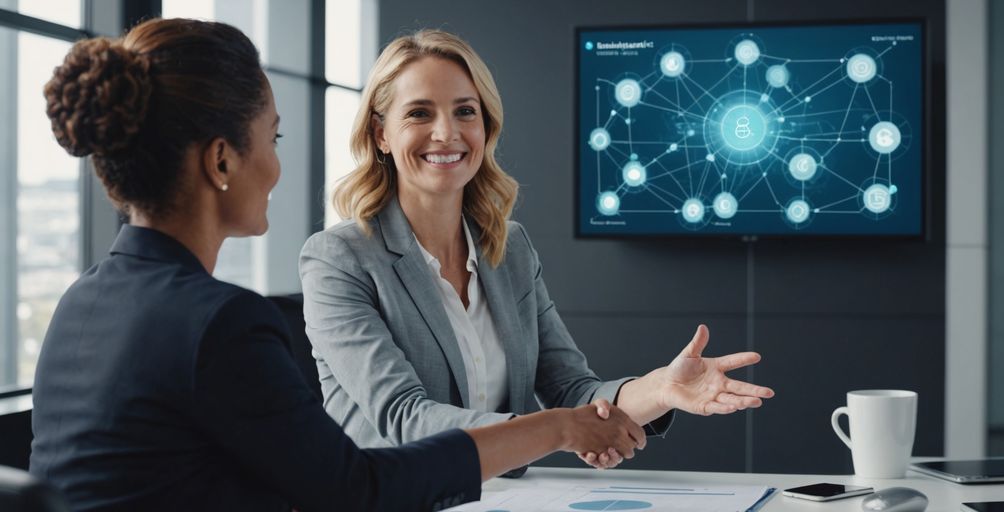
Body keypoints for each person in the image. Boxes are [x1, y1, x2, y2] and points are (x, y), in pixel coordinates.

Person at [28, 18, 646, 512]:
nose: (276, 168)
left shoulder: (79, 303)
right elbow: (355, 488)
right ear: (221, 162)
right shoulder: (222, 324)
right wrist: (555, 430)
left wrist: (629, 400)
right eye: (273, 140)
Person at [299, 29, 775, 471]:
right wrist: (560, 429)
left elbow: (571, 389)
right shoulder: (337, 259)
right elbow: (404, 418)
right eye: (419, 113)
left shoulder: (510, 249)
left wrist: (661, 389)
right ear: (381, 133)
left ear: (486, 128)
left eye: (466, 111)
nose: (446, 132)